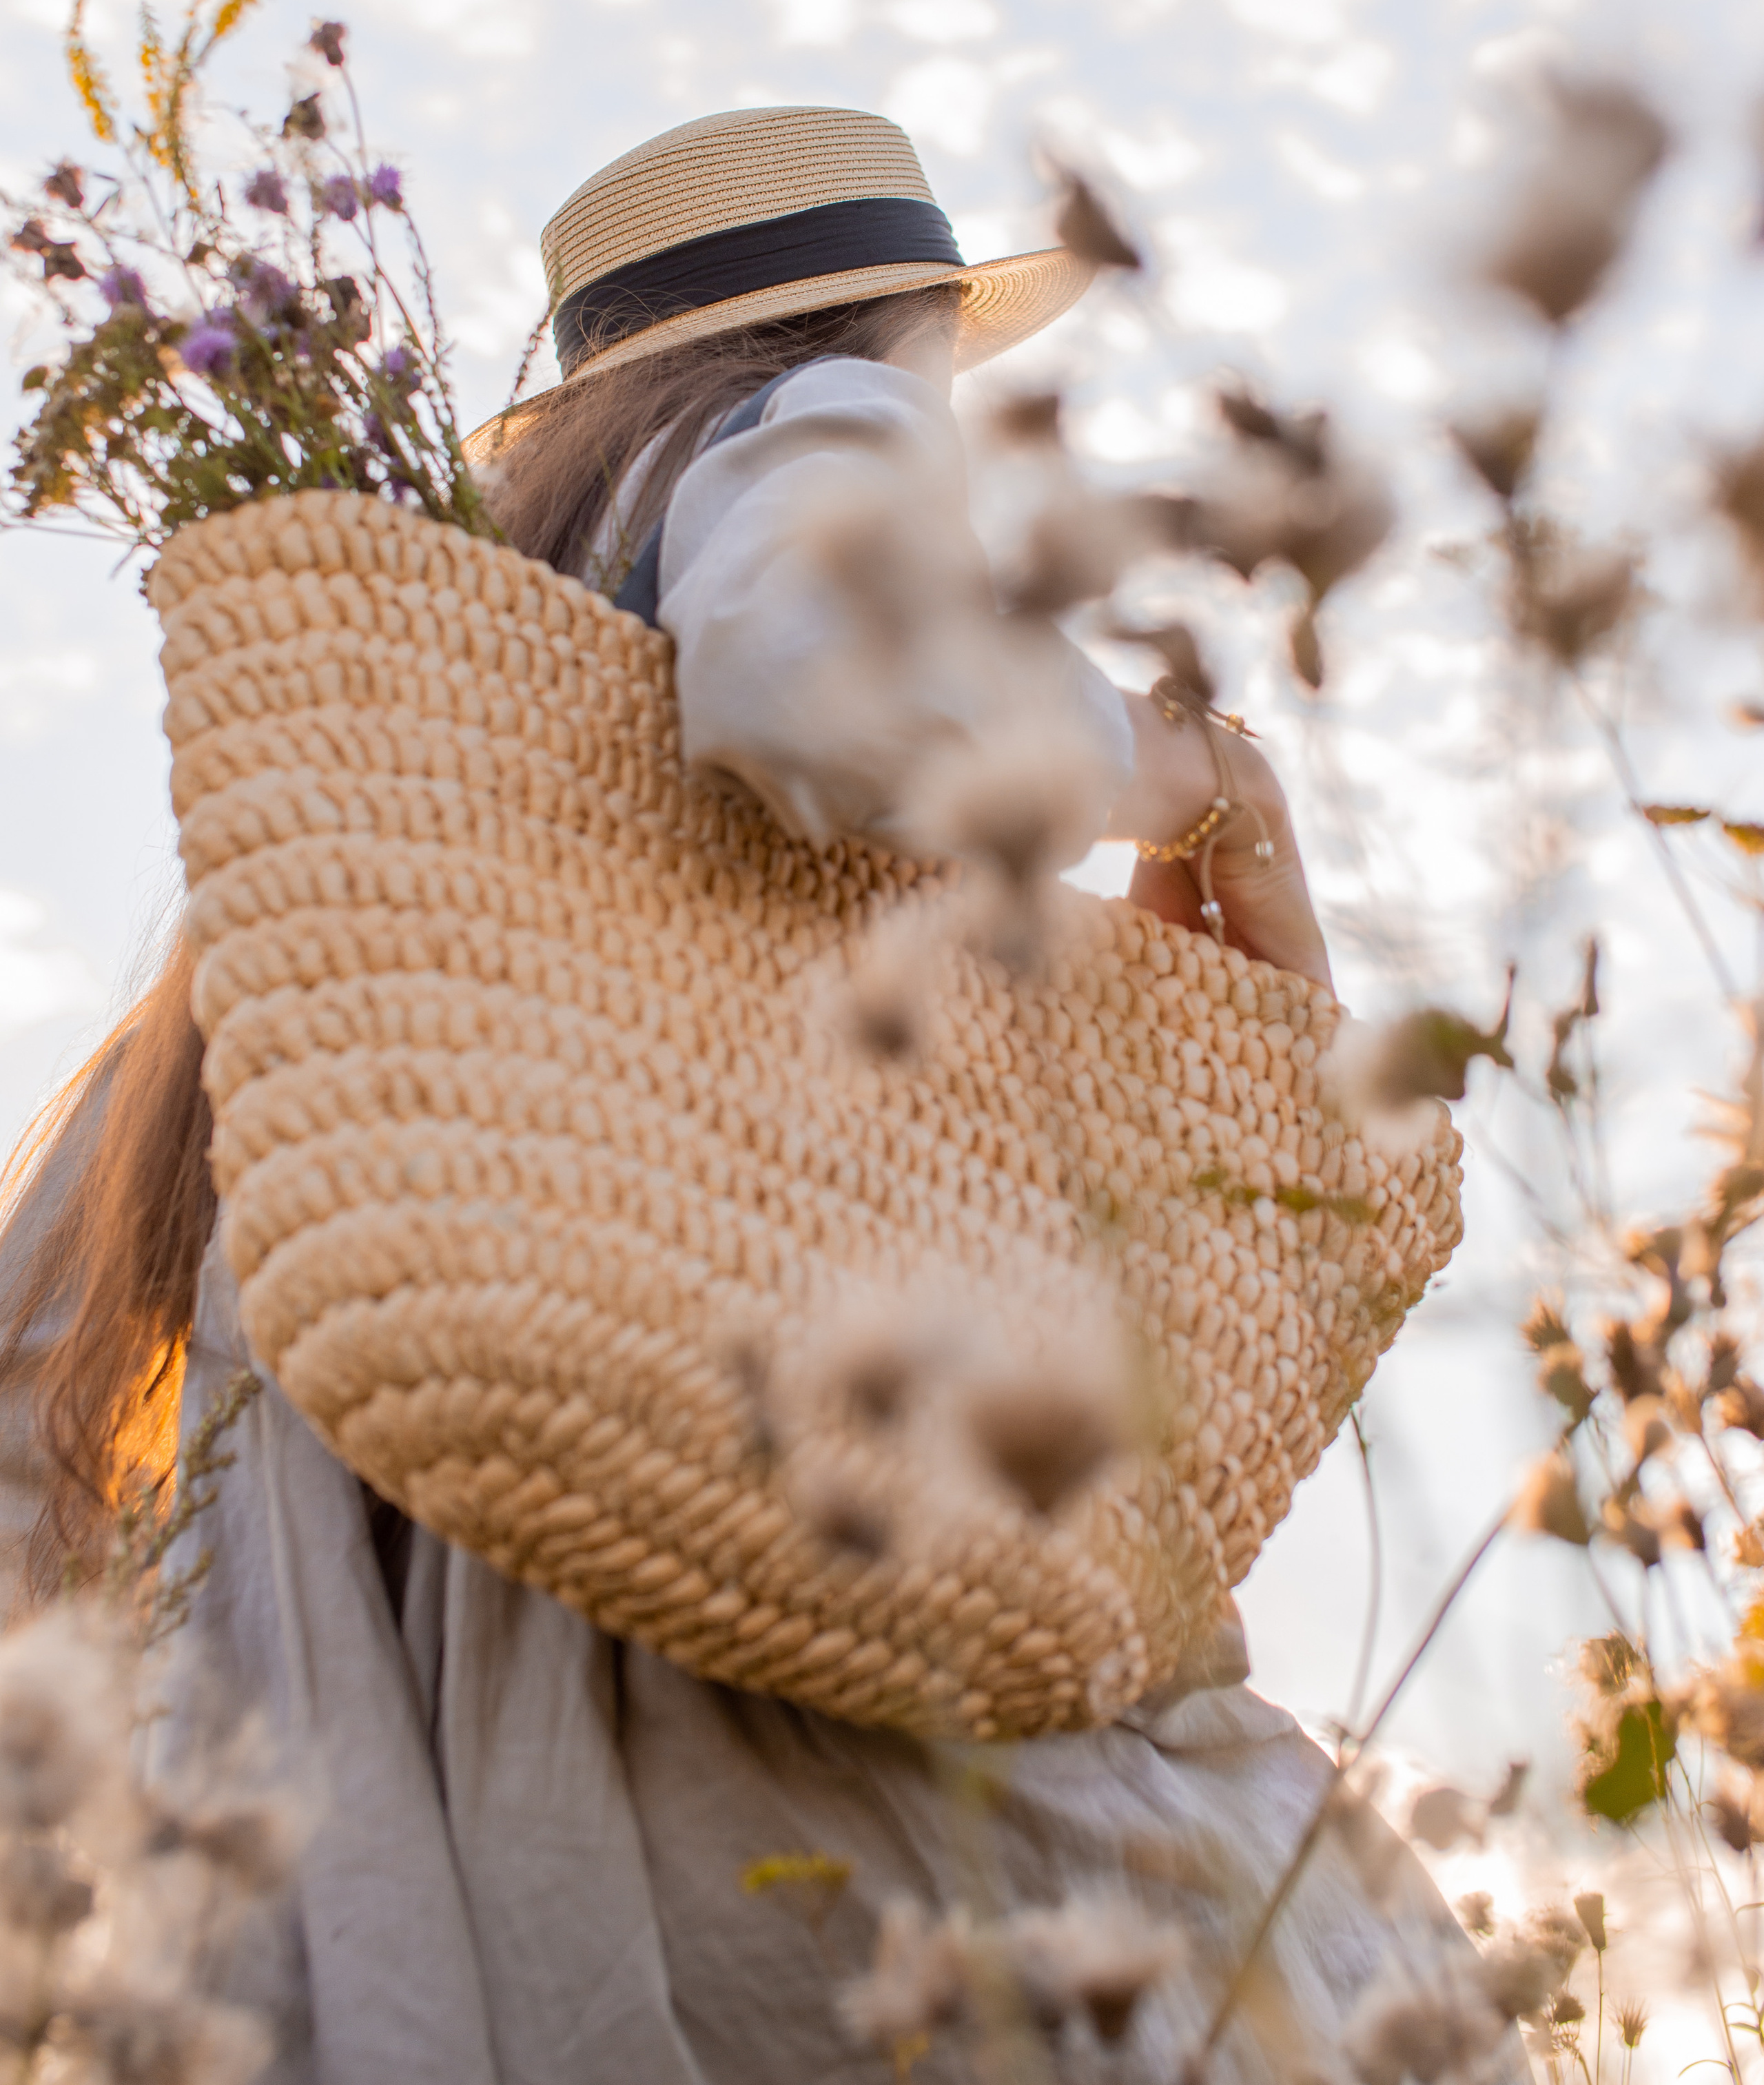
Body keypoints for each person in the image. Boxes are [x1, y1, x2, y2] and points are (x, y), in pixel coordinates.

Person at [0, 107, 1497, 2085]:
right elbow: (819, 675)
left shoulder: (386, 830)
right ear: (884, 337)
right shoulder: (820, 415)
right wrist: (1196, 773)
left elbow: (39, 1378)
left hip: (392, 1801)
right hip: (756, 1680)